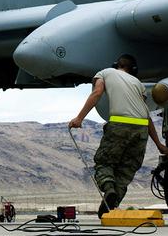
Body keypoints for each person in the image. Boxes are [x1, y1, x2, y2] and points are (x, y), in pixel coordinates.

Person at [68, 54, 168, 217]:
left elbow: (97, 92)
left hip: (120, 125)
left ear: (116, 65)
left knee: (104, 163)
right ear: (133, 70)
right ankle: (109, 207)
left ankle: (109, 188)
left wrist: (79, 118)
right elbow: (146, 114)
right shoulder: (138, 84)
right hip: (141, 129)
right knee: (125, 171)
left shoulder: (105, 73)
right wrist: (159, 145)